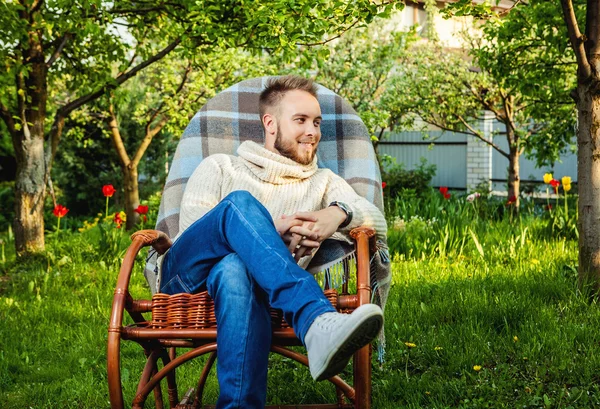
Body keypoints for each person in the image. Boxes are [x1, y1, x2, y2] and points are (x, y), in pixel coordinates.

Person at [157, 75, 387, 409]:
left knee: (236, 267)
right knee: (239, 204)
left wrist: (337, 213)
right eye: (301, 120)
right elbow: (195, 234)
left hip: (250, 289)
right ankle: (315, 320)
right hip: (187, 279)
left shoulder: (323, 182)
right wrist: (271, 229)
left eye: (317, 122)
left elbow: (375, 220)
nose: (313, 131)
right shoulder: (220, 166)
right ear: (270, 123)